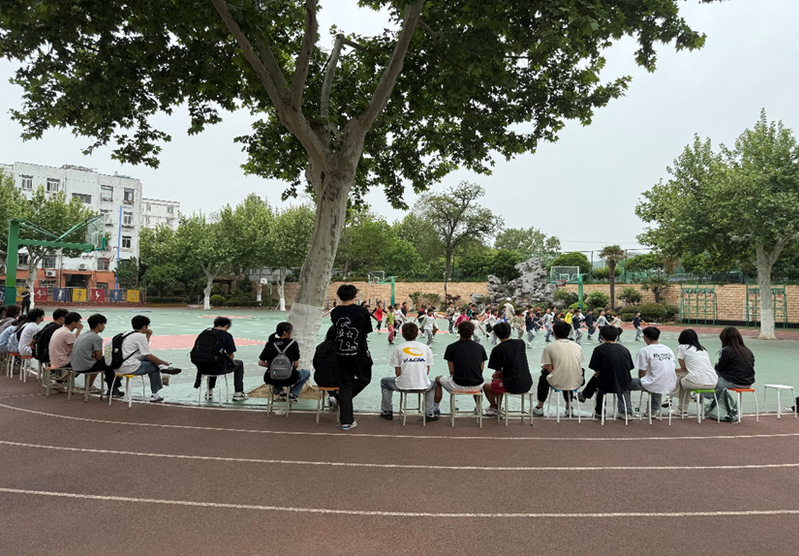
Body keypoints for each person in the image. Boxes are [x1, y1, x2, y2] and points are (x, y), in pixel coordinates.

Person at [330, 284, 373, 431]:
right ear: (354, 295)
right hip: (359, 353)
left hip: (341, 354)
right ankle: (338, 399)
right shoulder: (361, 311)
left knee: (345, 386)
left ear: (339, 296)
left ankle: (346, 421)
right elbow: (367, 329)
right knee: (364, 379)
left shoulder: (335, 312)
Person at [115, 315, 182, 403]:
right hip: (128, 367)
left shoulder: (126, 334)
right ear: (144, 326)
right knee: (153, 367)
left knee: (145, 358)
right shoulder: (140, 336)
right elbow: (148, 355)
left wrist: (148, 335)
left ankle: (113, 388)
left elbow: (143, 351)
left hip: (116, 366)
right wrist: (164, 362)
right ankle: (155, 394)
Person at [380, 322, 438, 421]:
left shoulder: (398, 348)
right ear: (417, 333)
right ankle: (429, 413)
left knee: (384, 382)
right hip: (423, 384)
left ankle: (387, 411)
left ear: (403, 334)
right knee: (433, 385)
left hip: (403, 384)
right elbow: (427, 370)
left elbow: (398, 372)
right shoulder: (426, 348)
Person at [580, 325, 635, 418]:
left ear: (602, 336)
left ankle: (599, 410)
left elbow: (596, 369)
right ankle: (584, 395)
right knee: (601, 377)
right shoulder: (625, 350)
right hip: (624, 383)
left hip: (606, 384)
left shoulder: (599, 349)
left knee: (598, 380)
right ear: (616, 336)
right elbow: (629, 367)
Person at [434, 320, 487, 415]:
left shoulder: (451, 347)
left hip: (457, 384)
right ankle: (479, 408)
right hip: (477, 384)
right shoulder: (480, 347)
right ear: (473, 332)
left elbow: (451, 370)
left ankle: (435, 408)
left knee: (438, 379)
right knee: (478, 382)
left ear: (458, 331)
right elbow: (481, 368)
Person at [534, 321, 584, 417]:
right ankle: (569, 407)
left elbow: (550, 369)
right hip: (576, 381)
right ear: (568, 334)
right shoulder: (577, 347)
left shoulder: (549, 347)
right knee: (568, 373)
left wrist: (550, 367)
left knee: (544, 377)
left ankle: (540, 407)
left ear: (554, 333)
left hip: (557, 381)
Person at [483, 322, 533, 417]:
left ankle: (495, 406)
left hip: (511, 384)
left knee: (487, 386)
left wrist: (496, 374)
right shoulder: (520, 343)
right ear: (510, 332)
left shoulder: (497, 349)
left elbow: (498, 371)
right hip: (527, 382)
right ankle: (497, 407)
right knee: (498, 379)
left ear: (495, 334)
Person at [193, 316, 249, 401]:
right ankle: (238, 392)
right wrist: (229, 362)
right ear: (226, 326)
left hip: (201, 367)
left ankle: (209, 391)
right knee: (239, 363)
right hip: (217, 367)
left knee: (212, 360)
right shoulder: (226, 335)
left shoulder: (204, 333)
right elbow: (231, 355)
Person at [709, 326, 755, 421]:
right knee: (715, 381)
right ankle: (721, 399)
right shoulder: (748, 351)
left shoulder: (726, 350)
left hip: (734, 382)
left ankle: (706, 398)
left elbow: (720, 367)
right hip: (748, 382)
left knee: (710, 379)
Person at [70, 313, 122, 398]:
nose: (104, 327)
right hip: (86, 366)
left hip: (75, 365)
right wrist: (95, 355)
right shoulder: (96, 338)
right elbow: (99, 357)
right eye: (103, 324)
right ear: (99, 325)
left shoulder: (83, 335)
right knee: (109, 363)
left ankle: (113, 384)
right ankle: (113, 388)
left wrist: (93, 354)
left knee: (106, 362)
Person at [628, 326, 676, 416]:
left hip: (655, 382)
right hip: (670, 382)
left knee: (624, 384)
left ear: (645, 337)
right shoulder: (668, 349)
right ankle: (653, 409)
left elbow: (642, 372)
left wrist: (643, 380)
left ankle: (626, 411)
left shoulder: (644, 351)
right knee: (657, 379)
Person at [259, 321, 310, 404]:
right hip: (289, 378)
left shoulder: (270, 343)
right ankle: (292, 394)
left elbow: (261, 362)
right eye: (291, 331)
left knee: (273, 374)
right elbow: (296, 364)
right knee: (307, 373)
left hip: (271, 378)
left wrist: (271, 366)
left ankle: (280, 392)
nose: (292, 333)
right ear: (285, 333)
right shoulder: (293, 343)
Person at [672, 329, 718, 415]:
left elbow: (684, 368)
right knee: (686, 378)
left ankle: (673, 401)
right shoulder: (703, 349)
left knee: (680, 376)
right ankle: (679, 405)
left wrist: (673, 370)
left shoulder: (681, 347)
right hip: (713, 382)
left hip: (696, 382)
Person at [313, 325, 339, 410]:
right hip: (337, 380)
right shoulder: (341, 347)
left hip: (320, 378)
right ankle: (336, 397)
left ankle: (332, 396)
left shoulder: (320, 346)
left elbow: (315, 364)